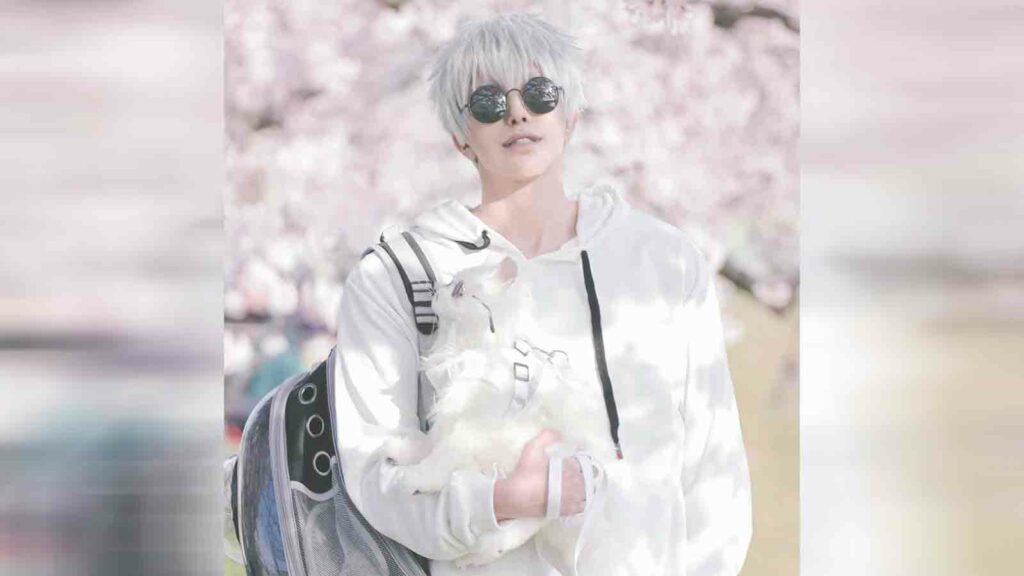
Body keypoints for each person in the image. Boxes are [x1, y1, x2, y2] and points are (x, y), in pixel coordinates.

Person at [333, 12, 751, 576]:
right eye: (487, 102)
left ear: (571, 114)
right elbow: (375, 471)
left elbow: (713, 468)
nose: (517, 112)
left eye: (539, 93)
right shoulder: (396, 276)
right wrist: (499, 503)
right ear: (460, 136)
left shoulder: (664, 261)